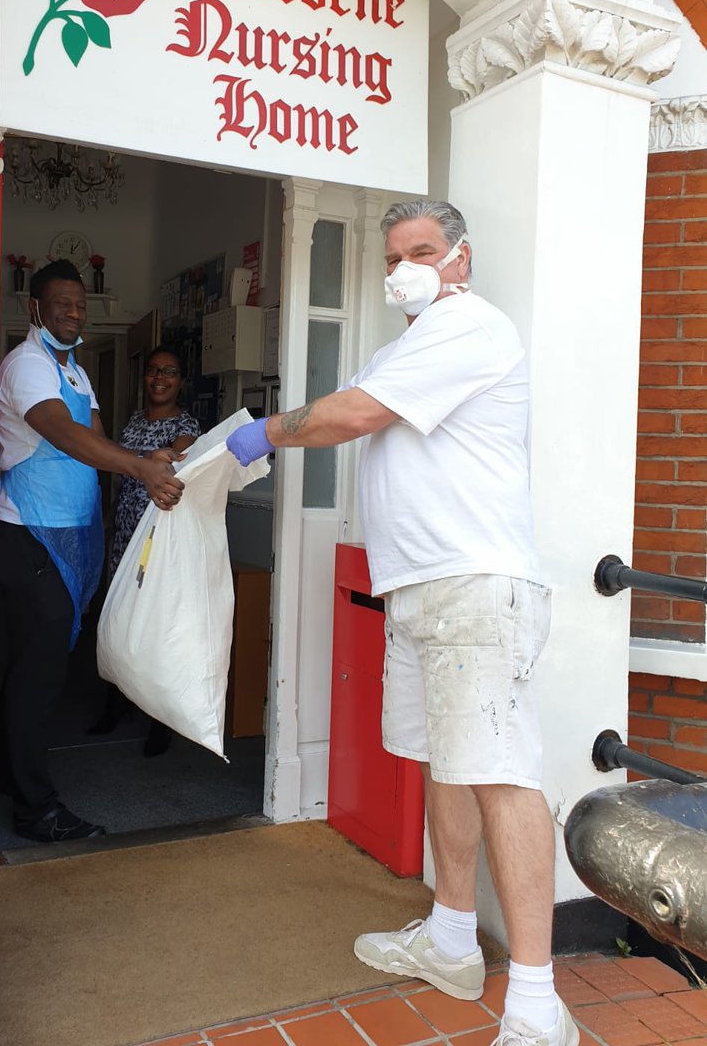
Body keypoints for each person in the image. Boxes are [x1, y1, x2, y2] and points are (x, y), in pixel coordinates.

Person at [226, 201, 576, 1046]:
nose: (403, 269)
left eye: (421, 251)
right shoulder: (401, 348)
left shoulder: (472, 327)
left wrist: (256, 434)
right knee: (448, 765)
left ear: (461, 257)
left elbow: (352, 416)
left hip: (474, 584)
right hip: (421, 587)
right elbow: (363, 406)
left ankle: (538, 1003)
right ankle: (453, 940)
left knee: (499, 771)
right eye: (393, 258)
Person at [0, 260, 185, 843]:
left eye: (80, 305)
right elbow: (66, 435)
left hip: (66, 532)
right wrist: (140, 468)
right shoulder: (27, 366)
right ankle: (34, 808)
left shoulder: (74, 372)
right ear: (36, 310)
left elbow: (97, 440)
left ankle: (0, 768)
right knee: (38, 677)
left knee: (29, 666)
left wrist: (155, 459)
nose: (74, 313)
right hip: (29, 533)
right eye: (62, 304)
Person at [91, 345, 200, 754]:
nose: (159, 378)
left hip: (158, 539)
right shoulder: (135, 421)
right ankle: (116, 702)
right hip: (123, 534)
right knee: (119, 616)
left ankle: (160, 719)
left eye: (169, 372)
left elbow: (173, 464)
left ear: (180, 381)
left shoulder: (187, 425)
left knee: (155, 624)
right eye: (153, 370)